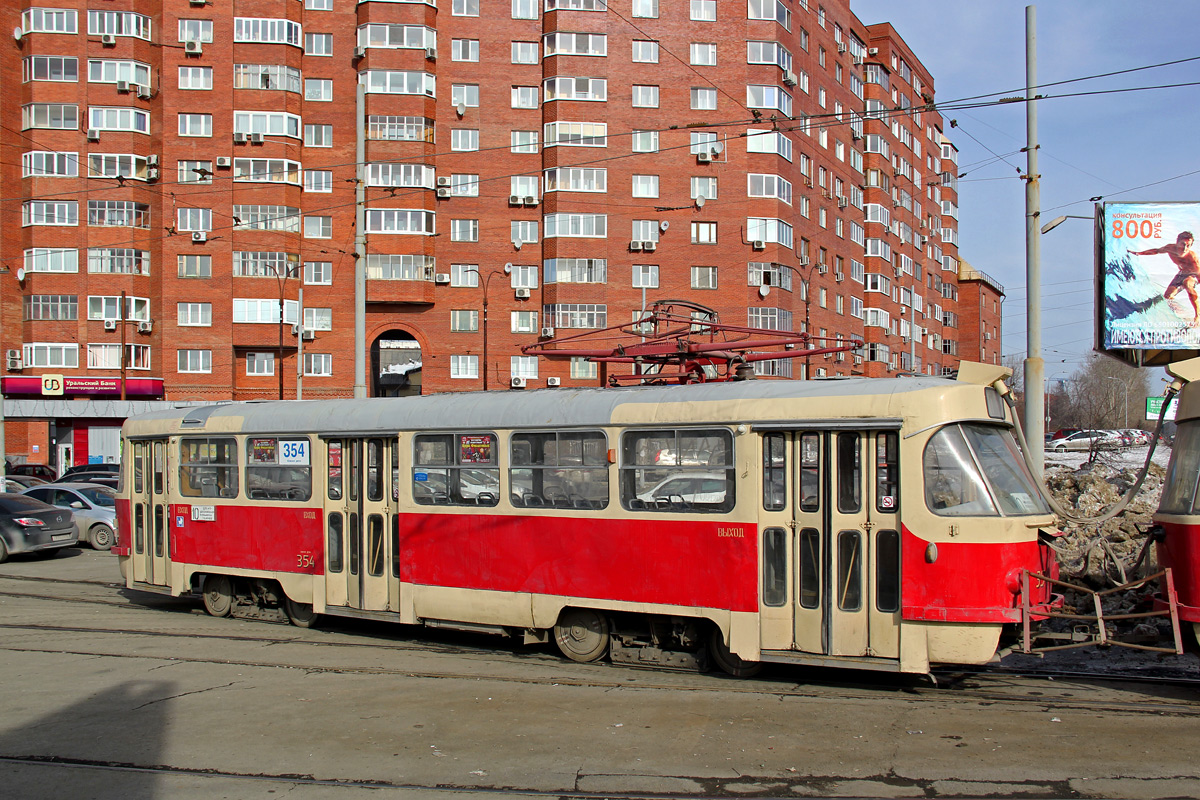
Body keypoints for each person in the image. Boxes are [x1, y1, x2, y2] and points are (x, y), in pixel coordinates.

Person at [1131, 231, 1200, 323]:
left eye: (1188, 246)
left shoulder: (1192, 258)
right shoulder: (1170, 248)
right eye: (1182, 244)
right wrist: (1139, 253)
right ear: (1177, 242)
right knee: (1167, 296)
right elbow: (1156, 251)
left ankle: (1197, 316)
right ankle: (1180, 313)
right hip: (1181, 273)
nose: (1184, 248)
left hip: (1194, 275)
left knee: (1187, 283)